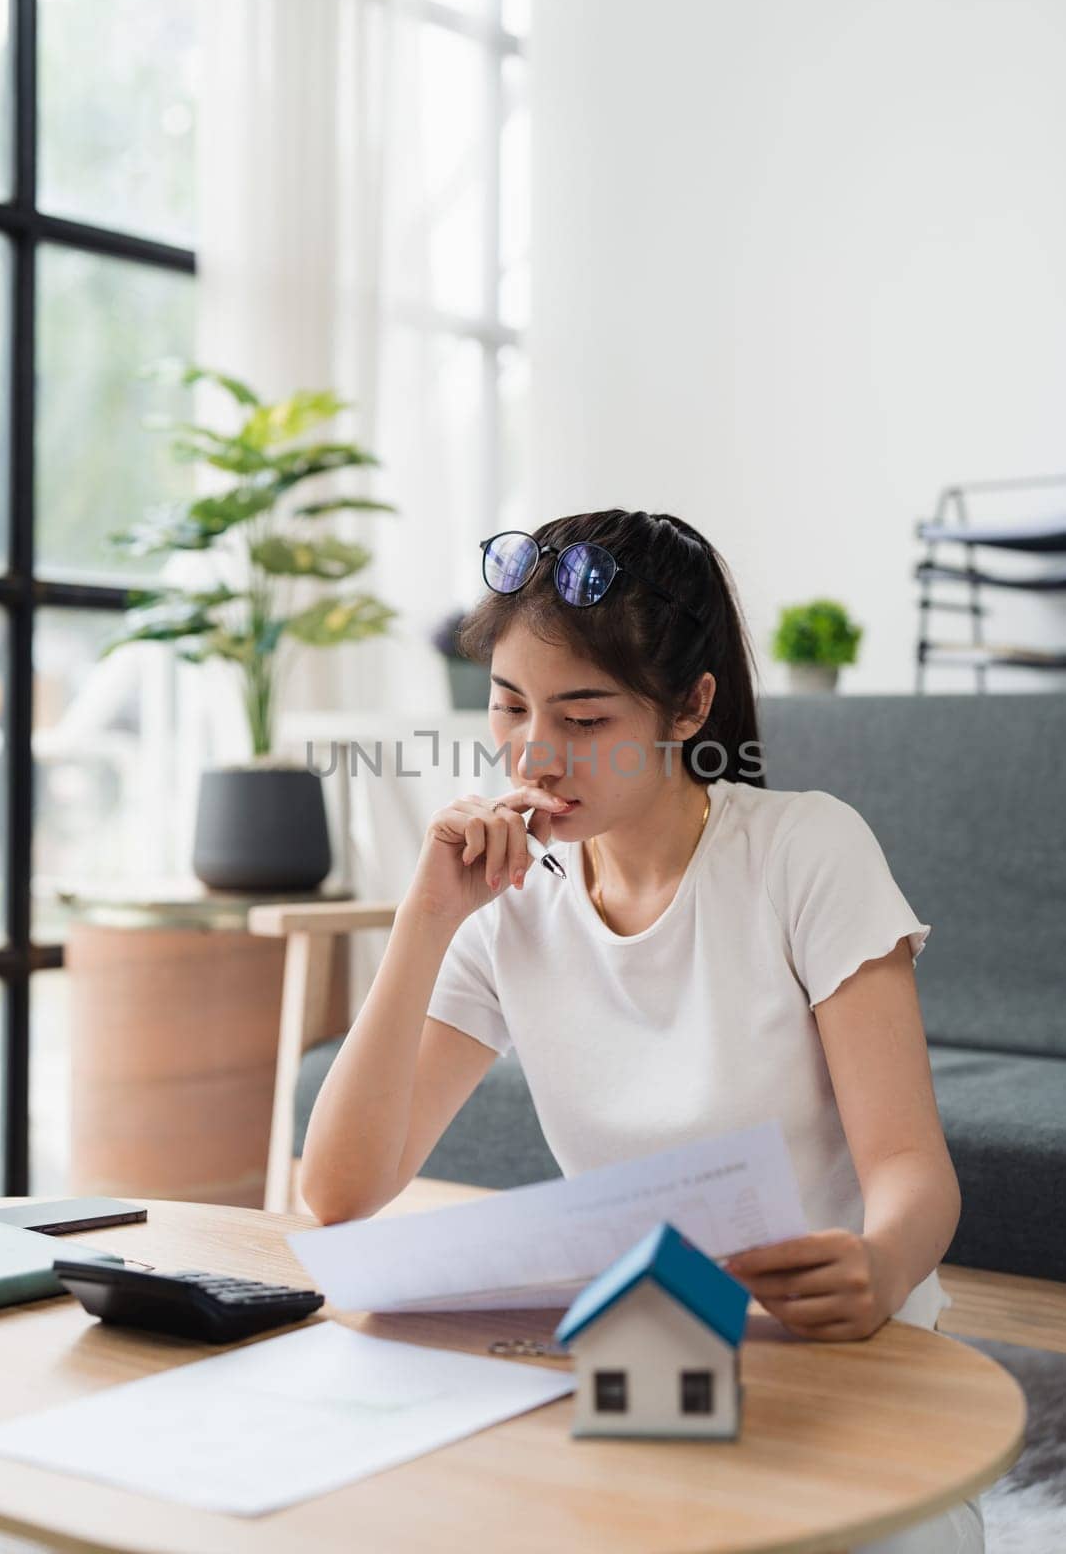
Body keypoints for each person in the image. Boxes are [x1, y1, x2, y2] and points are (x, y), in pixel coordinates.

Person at [301, 508, 984, 1554]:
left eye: (583, 719)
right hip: (644, 1363)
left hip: (837, 1353)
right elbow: (339, 1191)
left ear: (687, 706)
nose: (534, 753)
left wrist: (881, 1264)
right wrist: (425, 919)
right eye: (507, 705)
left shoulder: (804, 852)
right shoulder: (510, 898)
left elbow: (907, 1163)